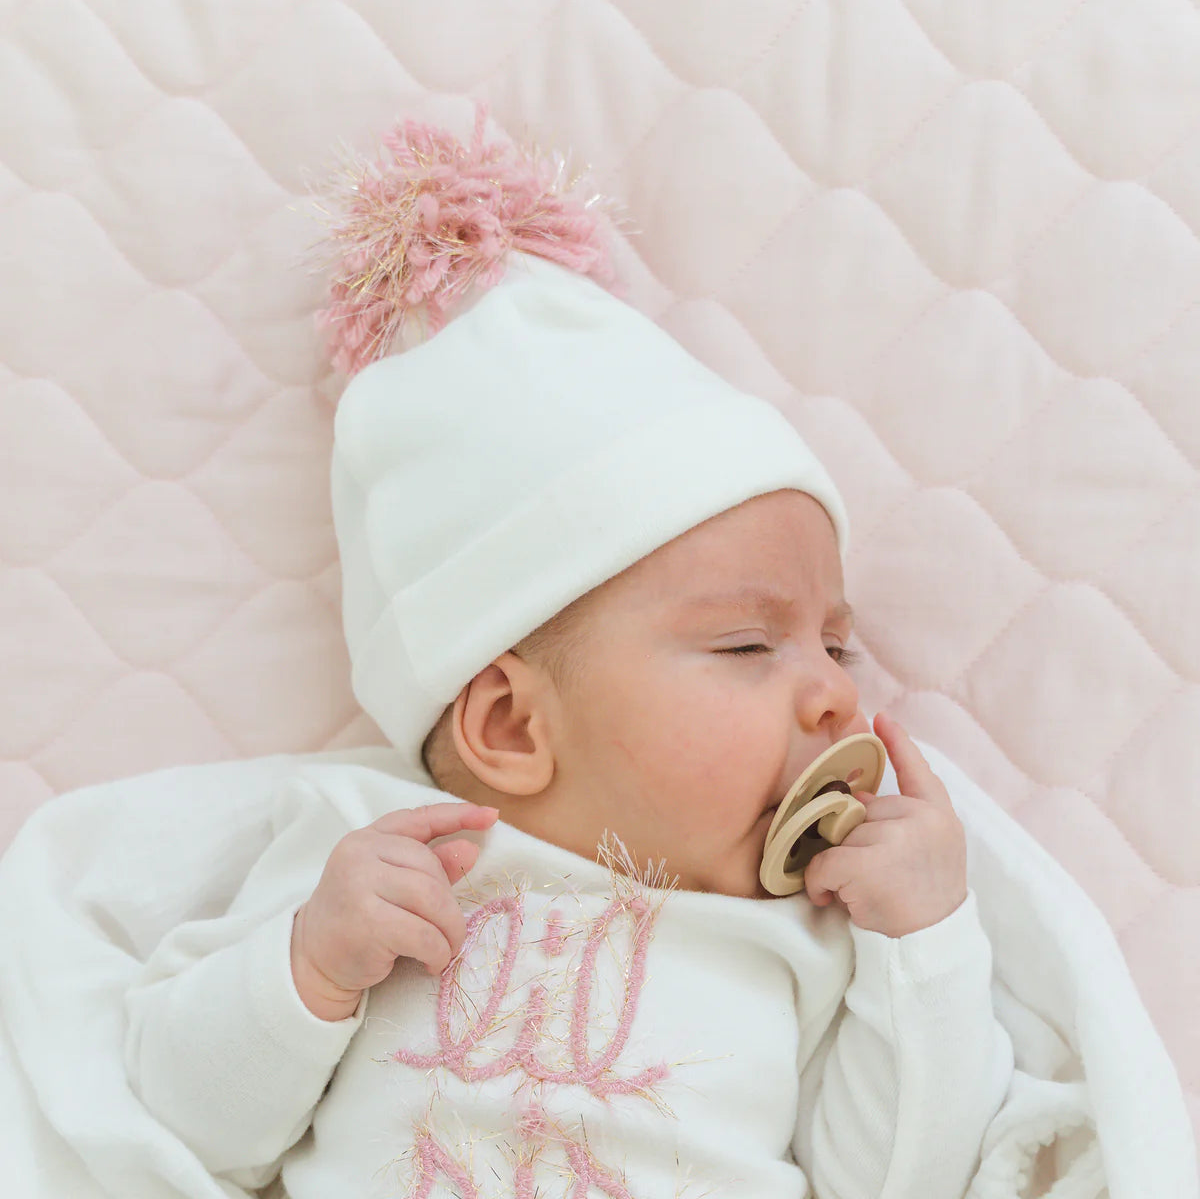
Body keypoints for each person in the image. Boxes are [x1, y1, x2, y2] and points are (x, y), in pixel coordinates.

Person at [122, 121, 1014, 1199]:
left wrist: (925, 942)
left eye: (837, 642)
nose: (834, 691)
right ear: (510, 727)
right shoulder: (364, 856)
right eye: (746, 642)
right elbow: (183, 1127)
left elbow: (905, 1183)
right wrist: (307, 970)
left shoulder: (810, 939)